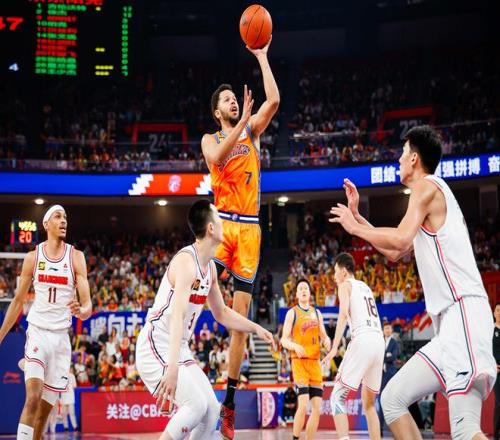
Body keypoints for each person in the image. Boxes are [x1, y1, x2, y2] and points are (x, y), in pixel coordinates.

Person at [330, 125, 496, 440]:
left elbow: (401, 238)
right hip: (449, 327)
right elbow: (397, 251)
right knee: (392, 400)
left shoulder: (426, 186)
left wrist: (355, 228)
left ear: (415, 159)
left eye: (402, 153)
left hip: (464, 316)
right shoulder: (428, 196)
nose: (398, 159)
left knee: (464, 430)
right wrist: (359, 217)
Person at [135, 199, 274, 440]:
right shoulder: (186, 263)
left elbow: (222, 313)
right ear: (210, 228)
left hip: (178, 347)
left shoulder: (209, 269)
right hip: (156, 342)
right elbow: (177, 316)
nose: (224, 223)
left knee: (211, 411)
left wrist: (256, 328)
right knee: (196, 405)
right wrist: (172, 368)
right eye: (219, 218)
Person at [201, 36, 280, 439]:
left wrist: (262, 57)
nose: (234, 102)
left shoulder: (252, 130)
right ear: (218, 112)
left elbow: (275, 100)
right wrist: (243, 121)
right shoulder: (211, 139)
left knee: (240, 321)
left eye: (236, 99)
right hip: (220, 227)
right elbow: (216, 159)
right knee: (198, 293)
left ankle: (228, 403)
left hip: (249, 228)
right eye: (228, 100)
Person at [0, 205, 92, 440]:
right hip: (38, 333)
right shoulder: (33, 257)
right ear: (46, 224)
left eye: (65, 217)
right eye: (58, 217)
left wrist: (81, 311)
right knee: (32, 398)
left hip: (61, 339)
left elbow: (88, 306)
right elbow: (18, 301)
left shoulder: (76, 257)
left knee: (43, 415)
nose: (63, 221)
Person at [323, 253, 385, 440]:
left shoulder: (345, 285)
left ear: (343, 272)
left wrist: (335, 347)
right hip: (378, 340)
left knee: (337, 397)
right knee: (369, 404)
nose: (334, 276)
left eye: (335, 271)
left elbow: (343, 313)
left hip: (363, 338)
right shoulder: (365, 286)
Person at [281, 278, 330, 440]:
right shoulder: (292, 313)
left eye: (306, 288)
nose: (303, 290)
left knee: (317, 409)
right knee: (302, 405)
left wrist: (327, 340)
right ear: (296, 294)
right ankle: (295, 438)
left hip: (315, 363)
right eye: (300, 288)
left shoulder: (317, 313)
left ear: (310, 293)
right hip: (299, 362)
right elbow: (283, 340)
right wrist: (294, 346)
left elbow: (323, 335)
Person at [379, 322, 400, 433]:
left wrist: (385, 356)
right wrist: (387, 355)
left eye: (389, 328)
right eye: (385, 328)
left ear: (391, 330)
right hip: (381, 376)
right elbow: (377, 356)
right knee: (381, 400)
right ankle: (380, 428)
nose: (387, 330)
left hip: (391, 374)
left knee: (392, 400)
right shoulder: (380, 342)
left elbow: (394, 357)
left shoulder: (394, 343)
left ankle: (395, 428)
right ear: (383, 330)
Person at [493, 302, 500, 440]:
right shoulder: (489, 329)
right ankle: (495, 433)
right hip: (497, 371)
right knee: (499, 402)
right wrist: (492, 364)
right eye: (498, 310)